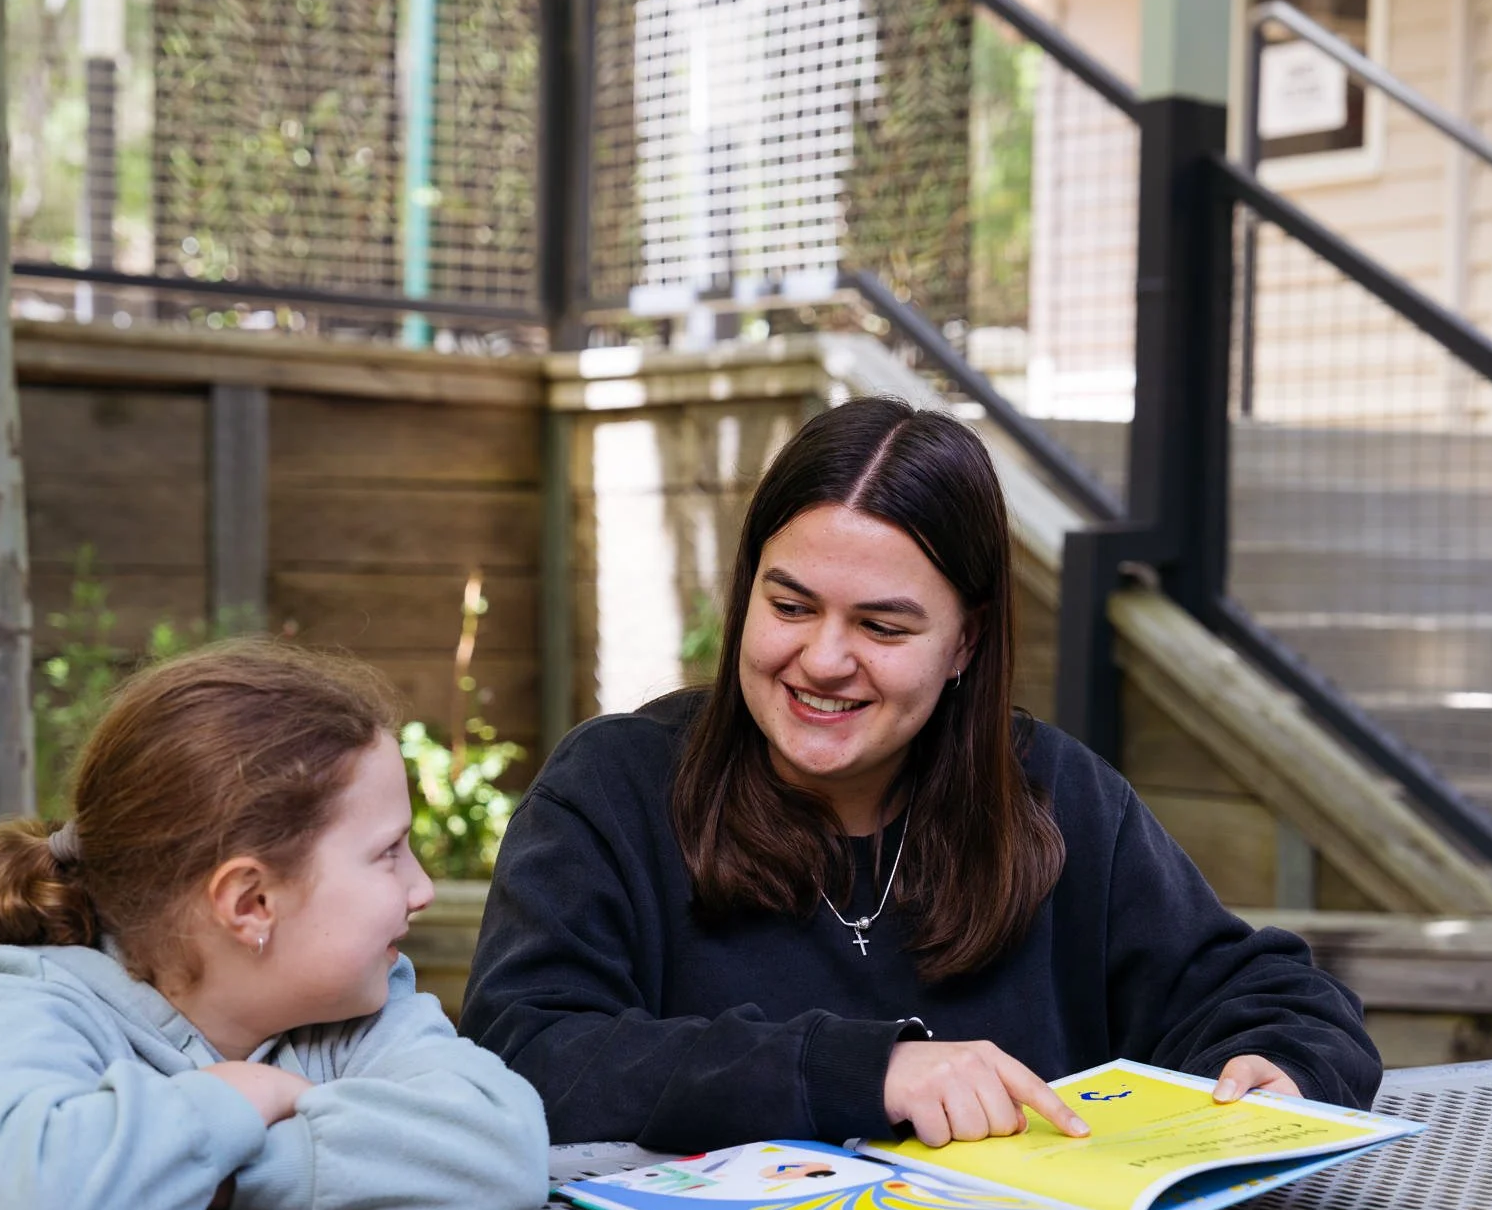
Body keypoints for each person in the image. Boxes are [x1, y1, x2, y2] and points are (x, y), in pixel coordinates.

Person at [460, 396, 1380, 1155]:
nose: (823, 659)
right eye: (789, 606)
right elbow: (529, 1052)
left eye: (883, 627)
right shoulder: (613, 788)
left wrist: (1283, 1064)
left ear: (964, 644)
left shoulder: (1055, 798)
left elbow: (1272, 997)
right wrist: (872, 1073)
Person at [0, 640, 548, 1210]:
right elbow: (39, 1205)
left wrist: (201, 1175)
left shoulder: (355, 1012)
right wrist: (248, 1095)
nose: (422, 888)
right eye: (388, 853)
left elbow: (502, 1148)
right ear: (250, 902)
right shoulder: (13, 1007)